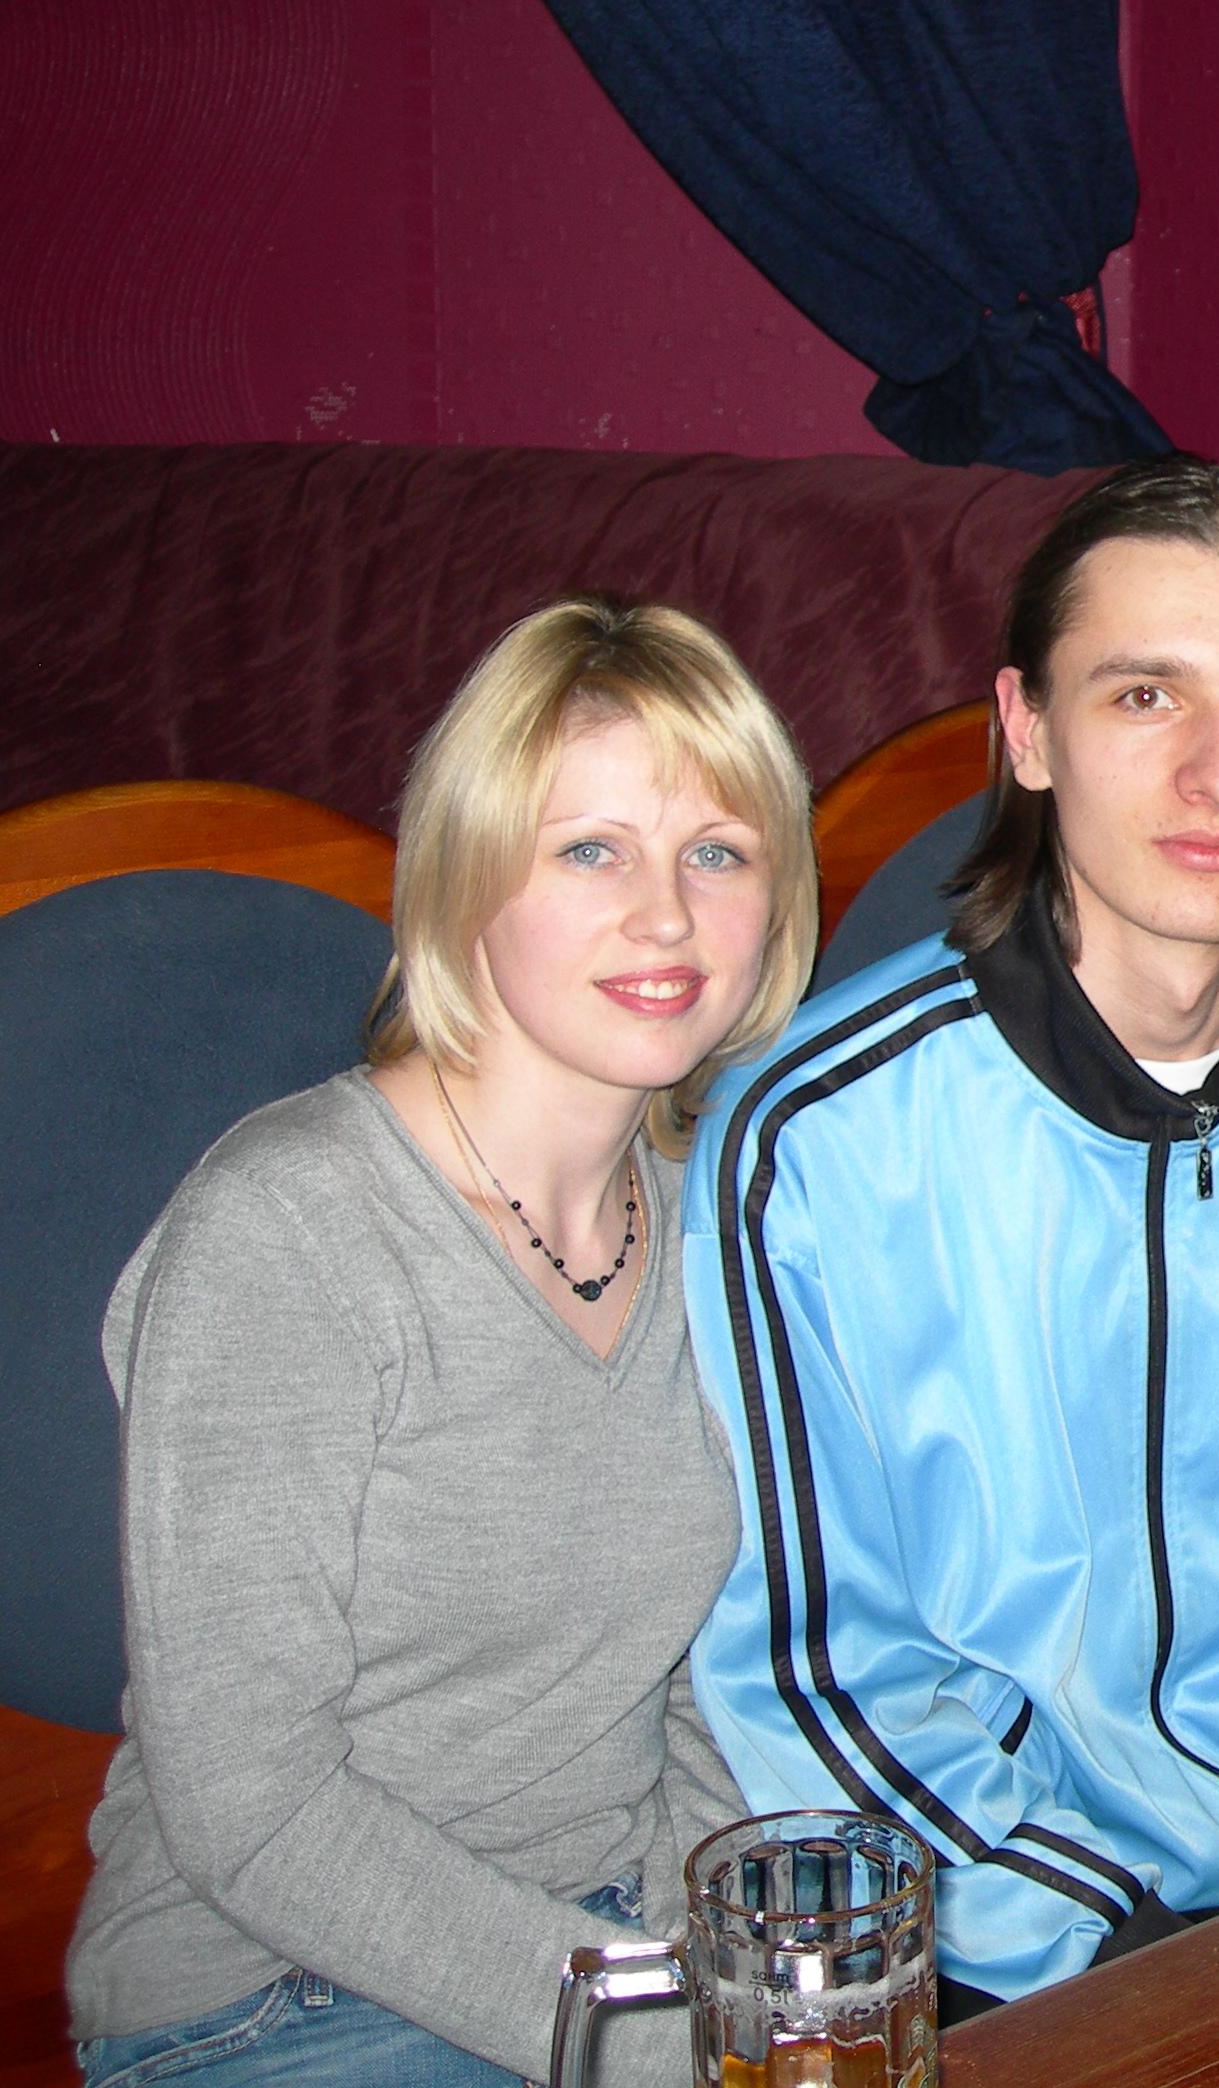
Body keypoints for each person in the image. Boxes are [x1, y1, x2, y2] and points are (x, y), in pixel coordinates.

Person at [685, 456, 1219, 2014]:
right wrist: (1121, 1967)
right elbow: (822, 1670)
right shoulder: (813, 1146)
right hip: (1013, 1954)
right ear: (1027, 730)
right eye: (1147, 696)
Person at [69, 599, 818, 2085]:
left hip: (614, 1942)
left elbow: (700, 1682)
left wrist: (712, 1971)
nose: (666, 917)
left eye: (717, 853)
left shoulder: (714, 1222)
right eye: (590, 850)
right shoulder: (286, 1232)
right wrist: (645, 2041)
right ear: (469, 877)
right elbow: (249, 1806)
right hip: (274, 1990)